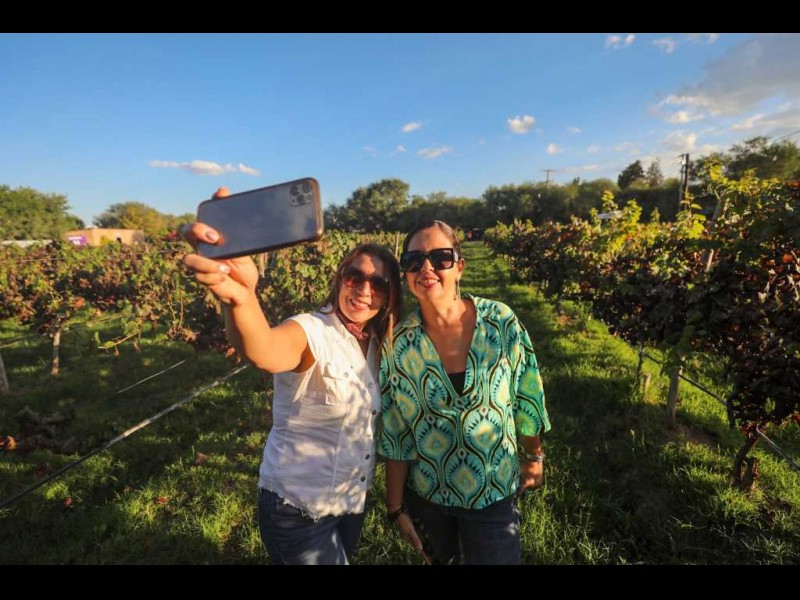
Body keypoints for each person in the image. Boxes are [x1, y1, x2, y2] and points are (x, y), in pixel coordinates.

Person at [182, 187, 403, 565]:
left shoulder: (377, 344)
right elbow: (264, 350)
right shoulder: (310, 330)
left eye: (378, 284)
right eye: (354, 276)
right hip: (297, 510)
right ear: (340, 279)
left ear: (389, 295)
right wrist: (242, 299)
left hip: (350, 504)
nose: (364, 290)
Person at [379, 219, 550, 565]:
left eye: (440, 257)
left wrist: (534, 457)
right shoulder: (397, 344)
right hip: (428, 497)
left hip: (493, 493)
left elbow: (527, 397)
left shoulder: (500, 321)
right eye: (413, 260)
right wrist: (395, 507)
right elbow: (396, 433)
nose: (426, 268)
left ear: (459, 266)